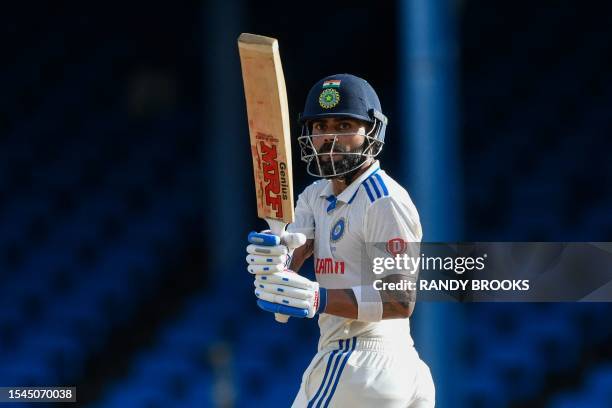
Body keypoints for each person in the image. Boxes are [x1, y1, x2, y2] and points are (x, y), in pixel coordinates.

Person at [246, 74, 435, 407]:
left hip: (362, 358)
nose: (330, 138)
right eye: (320, 127)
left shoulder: (383, 200)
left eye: (344, 124)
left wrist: (317, 297)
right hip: (390, 371)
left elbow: (400, 300)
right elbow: (296, 247)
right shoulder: (313, 196)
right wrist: (274, 260)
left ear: (371, 132)